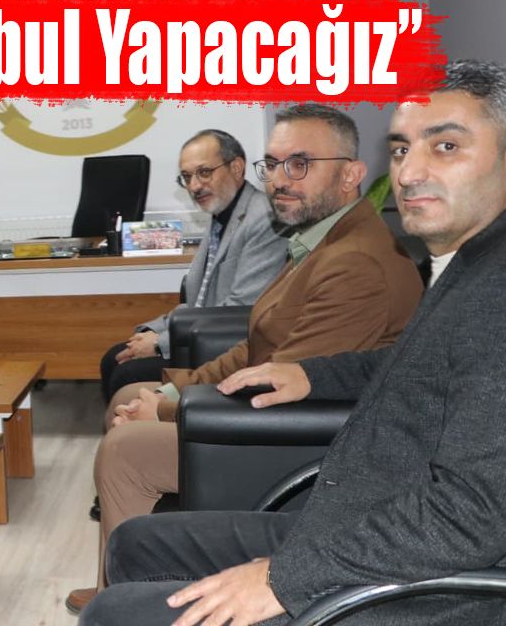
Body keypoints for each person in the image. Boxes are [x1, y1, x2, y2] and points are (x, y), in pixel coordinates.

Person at [80, 58, 506, 626]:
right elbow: (421, 366)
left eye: (446, 146)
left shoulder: (494, 290)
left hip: (420, 589)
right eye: (403, 149)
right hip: (363, 519)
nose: (408, 173)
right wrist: (313, 374)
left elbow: (473, 516)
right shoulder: (469, 262)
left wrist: (284, 579)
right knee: (135, 544)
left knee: (113, 613)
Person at [99, 129, 287, 402]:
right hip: (203, 335)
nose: (194, 186)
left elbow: (242, 309)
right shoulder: (221, 214)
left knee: (126, 372)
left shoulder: (264, 219)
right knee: (114, 358)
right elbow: (198, 300)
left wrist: (161, 343)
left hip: (228, 348)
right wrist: (153, 331)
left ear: (236, 167)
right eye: (187, 177)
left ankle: (149, 427)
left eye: (204, 172)